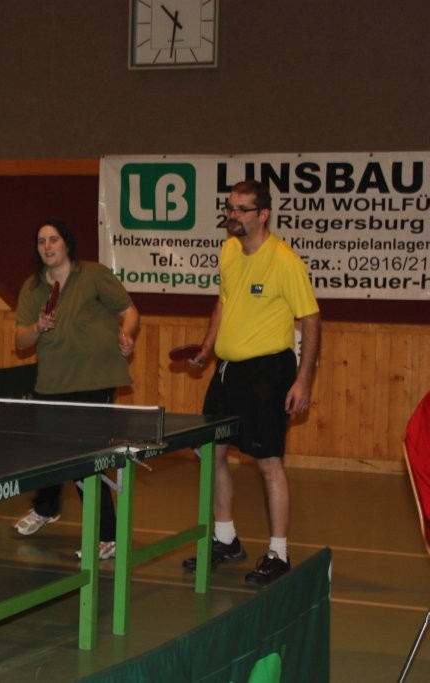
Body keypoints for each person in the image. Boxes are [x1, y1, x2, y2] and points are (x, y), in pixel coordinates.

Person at [183, 179, 320, 587]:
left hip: (268, 372)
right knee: (212, 452)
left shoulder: (284, 261)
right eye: (230, 207)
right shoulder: (228, 250)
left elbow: (312, 320)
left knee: (268, 462)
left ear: (263, 214)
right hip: (228, 370)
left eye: (242, 209)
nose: (233, 215)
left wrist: (303, 380)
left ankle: (279, 553)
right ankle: (226, 539)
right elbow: (224, 302)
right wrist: (208, 347)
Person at [12, 219, 139, 561]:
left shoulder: (94, 275)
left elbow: (129, 311)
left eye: (53, 239)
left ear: (66, 244)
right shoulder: (32, 288)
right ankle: (47, 507)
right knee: (48, 453)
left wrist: (126, 335)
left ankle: (108, 535)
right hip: (53, 382)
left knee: (86, 458)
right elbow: (20, 340)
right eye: (41, 241)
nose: (47, 246)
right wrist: (38, 327)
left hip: (95, 379)